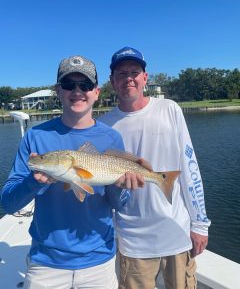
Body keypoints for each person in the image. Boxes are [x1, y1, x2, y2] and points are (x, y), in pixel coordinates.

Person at [1, 55, 139, 289]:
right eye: (68, 85)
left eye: (85, 85)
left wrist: (120, 187)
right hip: (46, 263)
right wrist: (33, 183)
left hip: (99, 262)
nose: (77, 91)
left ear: (96, 91)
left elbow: (119, 204)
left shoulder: (111, 137)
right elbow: (8, 203)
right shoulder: (35, 137)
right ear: (58, 90)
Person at [98, 46, 211, 289]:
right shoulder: (103, 125)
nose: (128, 78)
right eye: (121, 73)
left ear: (145, 78)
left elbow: (190, 169)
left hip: (177, 233)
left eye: (134, 72)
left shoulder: (169, 109)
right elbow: (104, 188)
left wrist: (199, 224)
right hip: (132, 241)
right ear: (112, 81)